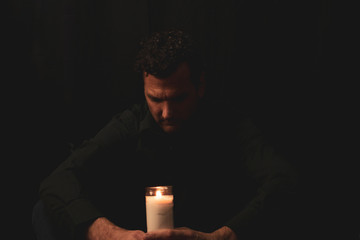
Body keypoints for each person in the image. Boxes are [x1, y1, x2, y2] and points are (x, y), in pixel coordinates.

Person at [33, 29, 298, 240]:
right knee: (43, 212)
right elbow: (58, 181)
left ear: (200, 86)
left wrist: (223, 236)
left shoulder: (230, 123)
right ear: (144, 88)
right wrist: (108, 234)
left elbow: (283, 180)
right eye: (156, 99)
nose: (167, 112)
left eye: (178, 98)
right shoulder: (130, 124)